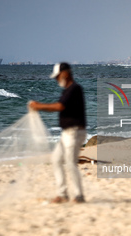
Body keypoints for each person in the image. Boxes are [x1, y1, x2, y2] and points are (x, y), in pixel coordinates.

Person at [29, 63, 87, 203]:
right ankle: (62, 194)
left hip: (74, 132)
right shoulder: (67, 90)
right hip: (67, 133)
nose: (56, 80)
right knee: (56, 159)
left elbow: (60, 106)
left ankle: (79, 196)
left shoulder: (75, 89)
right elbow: (60, 106)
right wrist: (40, 107)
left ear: (65, 74)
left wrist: (39, 106)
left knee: (71, 163)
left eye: (57, 76)